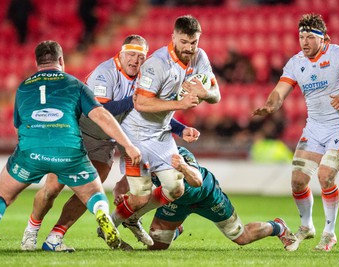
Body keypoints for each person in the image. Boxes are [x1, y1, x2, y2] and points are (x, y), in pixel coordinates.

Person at [20, 35, 200, 252]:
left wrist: (181, 130)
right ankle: (31, 232)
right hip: (78, 132)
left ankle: (55, 237)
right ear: (121, 54)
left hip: (106, 141)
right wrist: (134, 101)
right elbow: (100, 111)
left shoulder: (146, 77)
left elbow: (152, 113)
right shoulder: (105, 72)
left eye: (141, 57)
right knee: (52, 188)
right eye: (131, 55)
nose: (135, 61)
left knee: (88, 190)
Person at [0, 40, 142, 254]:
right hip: (68, 150)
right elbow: (100, 115)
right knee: (93, 193)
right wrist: (128, 145)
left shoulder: (23, 86)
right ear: (61, 60)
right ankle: (101, 212)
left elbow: (18, 124)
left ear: (37, 63)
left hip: (30, 151)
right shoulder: (75, 84)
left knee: (1, 195)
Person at [252, 13, 339, 251]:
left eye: (310, 36)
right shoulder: (295, 62)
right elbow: (280, 91)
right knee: (298, 181)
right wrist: (270, 105)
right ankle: (307, 226)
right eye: (301, 36)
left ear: (324, 38)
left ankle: (329, 233)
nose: (305, 41)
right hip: (314, 129)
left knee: (326, 176)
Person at [110, 15, 221, 233]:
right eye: (184, 42)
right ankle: (110, 225)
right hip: (136, 133)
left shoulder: (200, 58)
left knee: (176, 188)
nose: (189, 48)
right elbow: (140, 103)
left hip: (161, 133)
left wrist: (205, 93)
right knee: (140, 195)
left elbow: (216, 95)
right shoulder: (157, 64)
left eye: (194, 42)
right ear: (173, 37)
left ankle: (131, 219)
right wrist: (180, 103)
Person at [111, 146, 297, 250]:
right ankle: (176, 228)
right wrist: (119, 193)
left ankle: (278, 226)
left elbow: (196, 181)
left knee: (241, 237)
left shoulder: (180, 154)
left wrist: (182, 167)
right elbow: (124, 183)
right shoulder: (141, 156)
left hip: (206, 196)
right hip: (175, 202)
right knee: (157, 246)